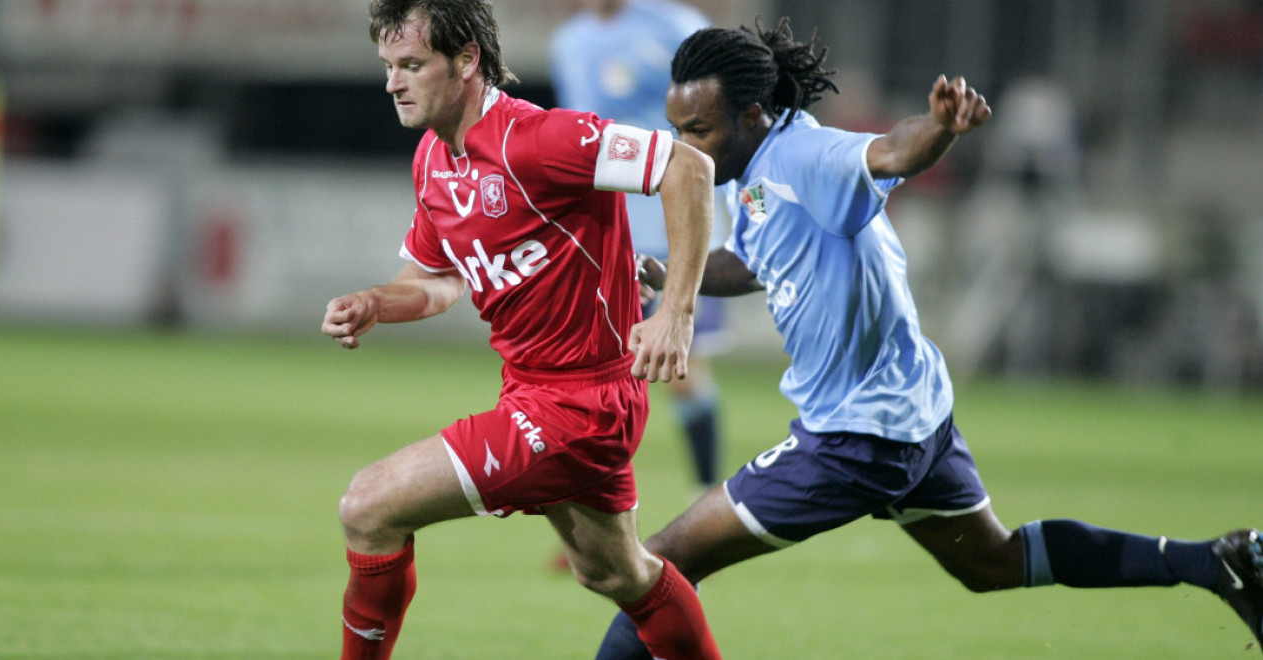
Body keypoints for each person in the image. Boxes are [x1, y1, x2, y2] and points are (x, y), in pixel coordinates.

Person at [595, 17, 1263, 659]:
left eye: (700, 130)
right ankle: (1219, 563)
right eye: (679, 129)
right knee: (994, 562)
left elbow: (890, 149)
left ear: (751, 115)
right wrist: (669, 272)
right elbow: (752, 262)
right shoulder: (758, 180)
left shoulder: (806, 156)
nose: (687, 147)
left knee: (661, 562)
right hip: (913, 418)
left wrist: (941, 128)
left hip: (853, 439)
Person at [321, 1, 724, 658]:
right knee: (617, 573)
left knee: (368, 504)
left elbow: (688, 169)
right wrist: (375, 302)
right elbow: (439, 280)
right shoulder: (434, 160)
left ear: (467, 60)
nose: (394, 82)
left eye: (413, 65)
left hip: (581, 403)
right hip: (538, 394)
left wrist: (675, 314)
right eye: (389, 66)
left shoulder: (541, 140)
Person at [551, 0, 728, 494]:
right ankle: (593, 511)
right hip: (601, 230)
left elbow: (719, 120)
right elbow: (573, 137)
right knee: (589, 369)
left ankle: (707, 498)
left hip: (670, 226)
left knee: (677, 369)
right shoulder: (570, 41)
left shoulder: (676, 27)